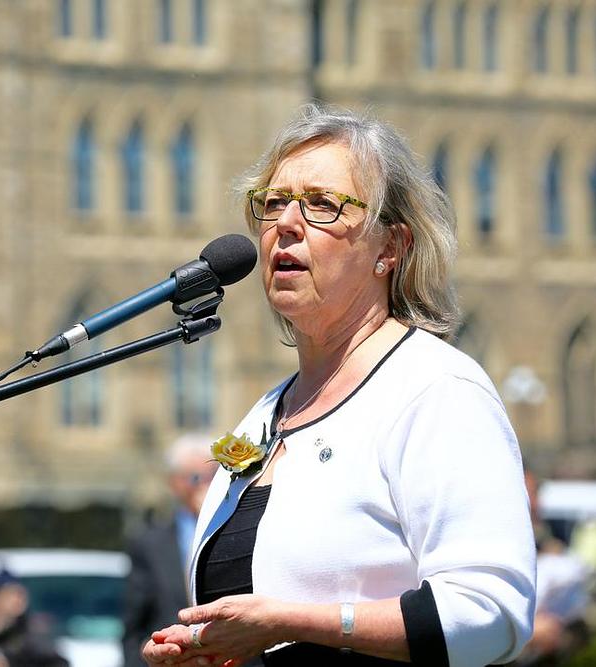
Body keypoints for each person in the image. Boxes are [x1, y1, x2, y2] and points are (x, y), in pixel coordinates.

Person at [142, 103, 536, 666]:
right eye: (273, 203)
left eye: (323, 205)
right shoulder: (265, 415)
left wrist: (287, 623)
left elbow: (491, 615)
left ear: (391, 248)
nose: (286, 224)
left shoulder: (435, 389)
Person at [122, 433, 218, 666]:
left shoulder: (239, 529)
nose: (205, 485)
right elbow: (136, 621)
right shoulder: (150, 542)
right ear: (175, 483)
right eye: (196, 478)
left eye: (213, 476)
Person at [512, 470, 589, 666]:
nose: (535, 505)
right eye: (527, 495)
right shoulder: (483, 554)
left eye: (536, 494)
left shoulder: (549, 548)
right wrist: (527, 633)